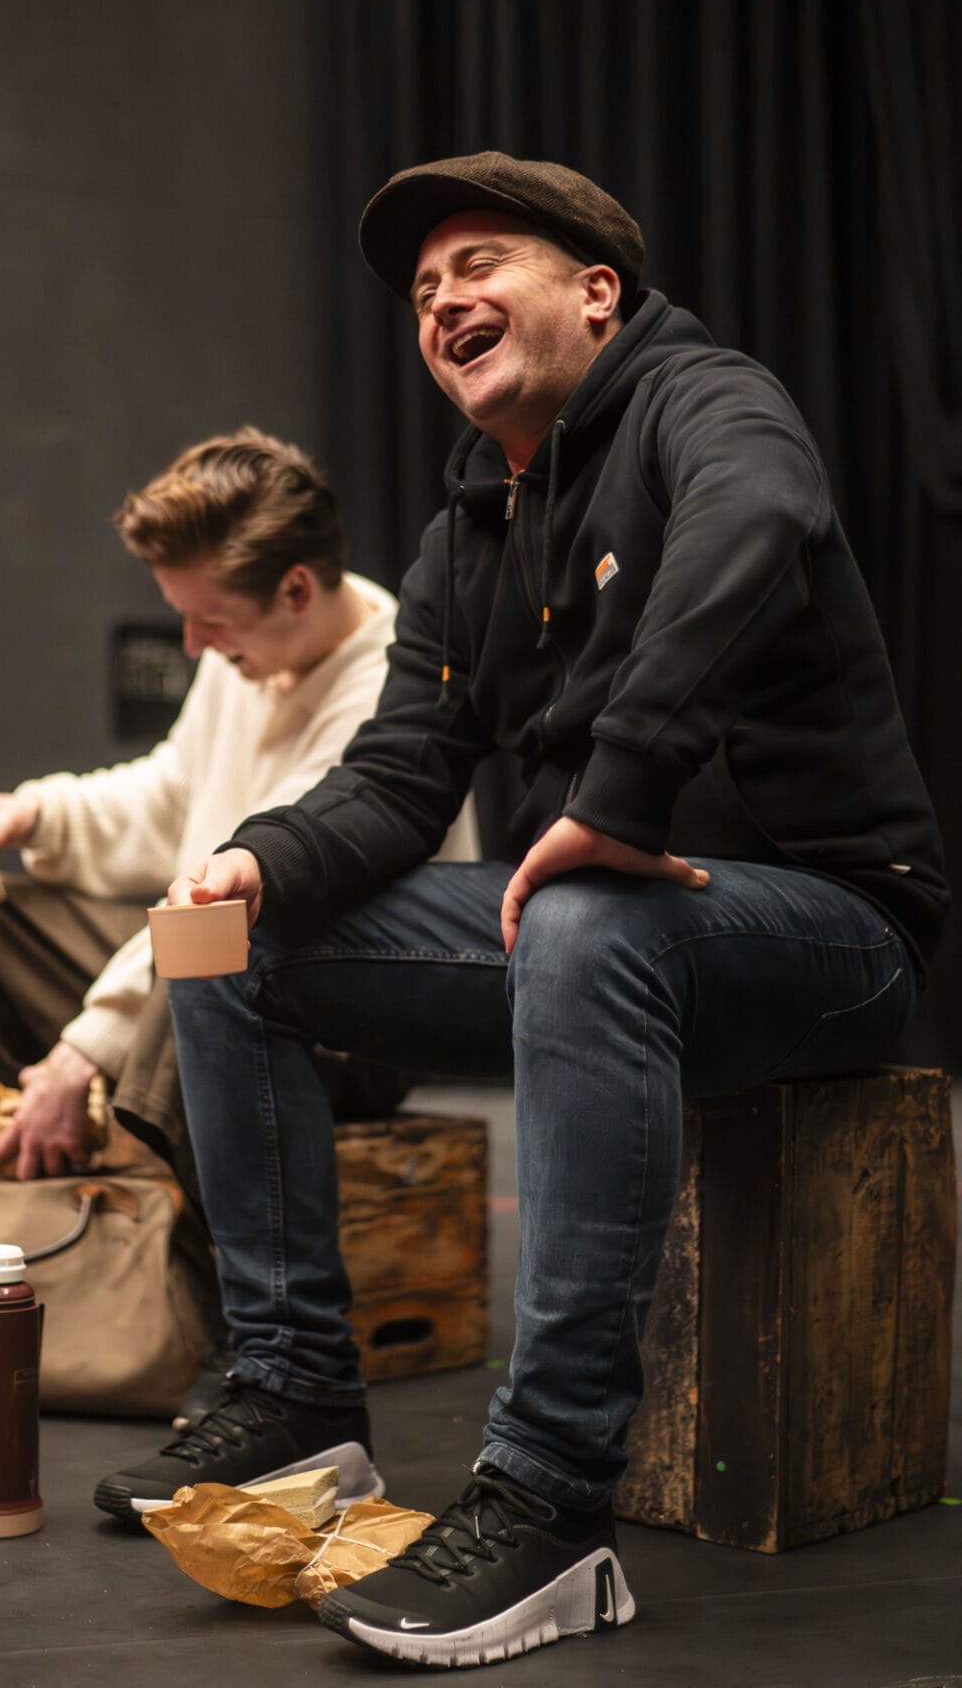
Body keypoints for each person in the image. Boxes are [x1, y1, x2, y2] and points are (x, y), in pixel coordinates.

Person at [95, 154, 949, 1667]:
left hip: (829, 930)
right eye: (425, 292)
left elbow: (756, 524)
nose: (444, 303)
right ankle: (295, 1395)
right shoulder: (467, 536)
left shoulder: (710, 402)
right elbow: (400, 775)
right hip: (594, 933)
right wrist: (263, 860)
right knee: (217, 935)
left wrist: (615, 797)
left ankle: (550, 1498)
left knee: (582, 917)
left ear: (596, 294)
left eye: (480, 265)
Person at [0, 427, 475, 1199]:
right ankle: (59, 1144)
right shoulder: (254, 644)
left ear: (297, 590)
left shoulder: (382, 692)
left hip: (336, 1012)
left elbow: (233, 906)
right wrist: (37, 816)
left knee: (209, 958)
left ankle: (119, 1158)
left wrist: (84, 1049)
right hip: (205, 950)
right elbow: (174, 795)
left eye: (212, 619)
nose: (194, 645)